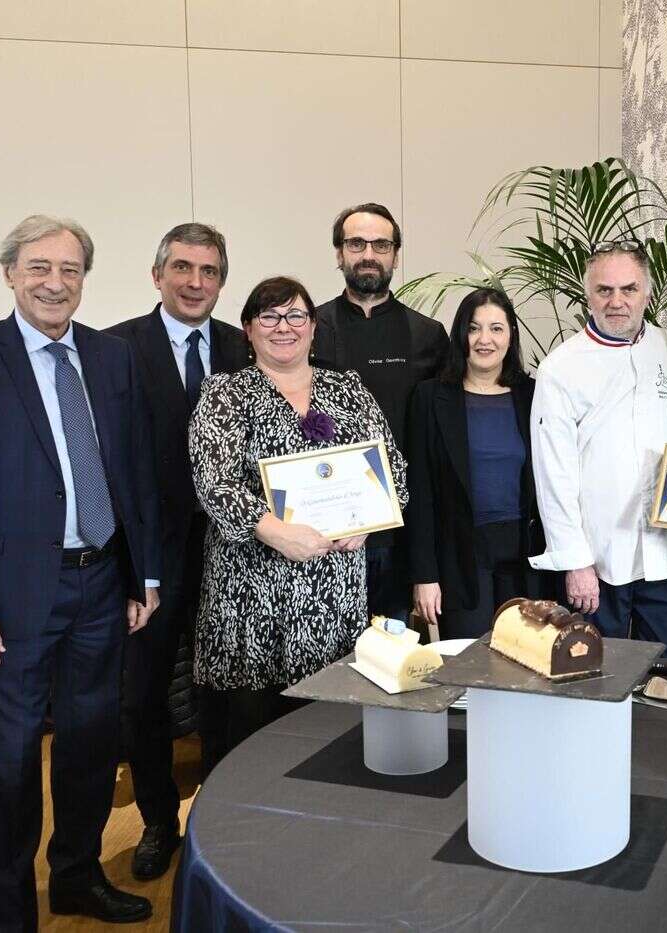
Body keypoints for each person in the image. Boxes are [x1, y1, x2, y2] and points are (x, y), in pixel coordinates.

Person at [0, 214, 162, 929]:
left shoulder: (113, 357)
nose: (54, 283)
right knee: (12, 755)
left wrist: (142, 574)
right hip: (11, 597)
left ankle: (76, 874)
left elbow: (134, 472)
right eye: (39, 267)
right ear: (9, 273)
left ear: (84, 279)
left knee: (92, 741)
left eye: (69, 269)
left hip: (101, 584)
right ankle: (9, 900)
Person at [191, 276, 407, 768]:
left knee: (328, 734)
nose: (283, 327)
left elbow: (393, 467)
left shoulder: (347, 388)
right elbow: (214, 482)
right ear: (248, 329)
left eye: (295, 316)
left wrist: (369, 522)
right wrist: (273, 530)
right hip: (251, 595)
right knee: (253, 741)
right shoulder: (225, 393)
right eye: (269, 316)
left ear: (313, 327)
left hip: (333, 594)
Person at [105, 223, 247, 877]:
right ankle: (159, 821)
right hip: (147, 557)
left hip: (229, 552)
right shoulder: (114, 351)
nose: (196, 282)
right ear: (156, 273)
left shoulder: (243, 348)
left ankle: (214, 822)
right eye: (183, 268)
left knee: (223, 692)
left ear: (222, 279)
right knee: (144, 695)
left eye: (209, 271)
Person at [529, 244, 667, 657]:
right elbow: (553, 475)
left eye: (628, 289)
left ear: (647, 293)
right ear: (587, 295)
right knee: (596, 679)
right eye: (604, 290)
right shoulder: (560, 368)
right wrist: (575, 562)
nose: (616, 301)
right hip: (597, 561)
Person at [311, 203, 449, 622]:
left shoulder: (429, 335)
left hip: (401, 528)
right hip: (323, 525)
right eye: (356, 243)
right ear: (339, 254)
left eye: (380, 244)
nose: (368, 253)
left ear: (395, 254)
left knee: (390, 648)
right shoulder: (307, 329)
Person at [407, 288, 552, 638]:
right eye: (474, 328)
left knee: (526, 663)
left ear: (511, 335)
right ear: (461, 335)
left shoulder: (534, 396)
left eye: (496, 329)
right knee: (469, 667)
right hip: (461, 558)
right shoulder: (431, 398)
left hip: (526, 555)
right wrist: (424, 576)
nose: (484, 339)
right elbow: (420, 492)